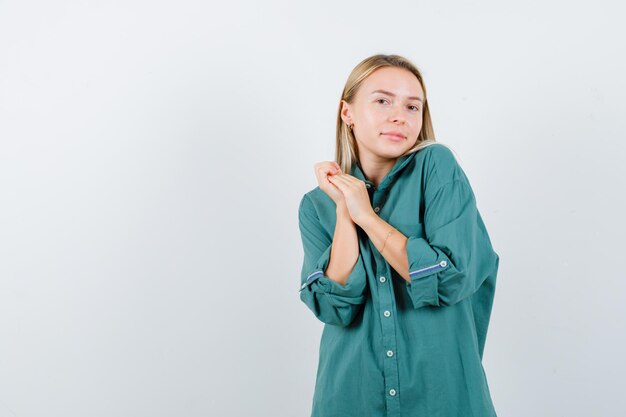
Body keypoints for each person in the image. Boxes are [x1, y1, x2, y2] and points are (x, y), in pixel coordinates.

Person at [297, 54, 501, 417]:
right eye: (382, 100)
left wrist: (368, 217)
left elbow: (450, 278)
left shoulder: (437, 167)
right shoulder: (316, 206)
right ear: (348, 113)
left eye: (412, 106)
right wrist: (346, 208)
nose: (399, 116)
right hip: (350, 400)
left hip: (443, 399)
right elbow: (334, 307)